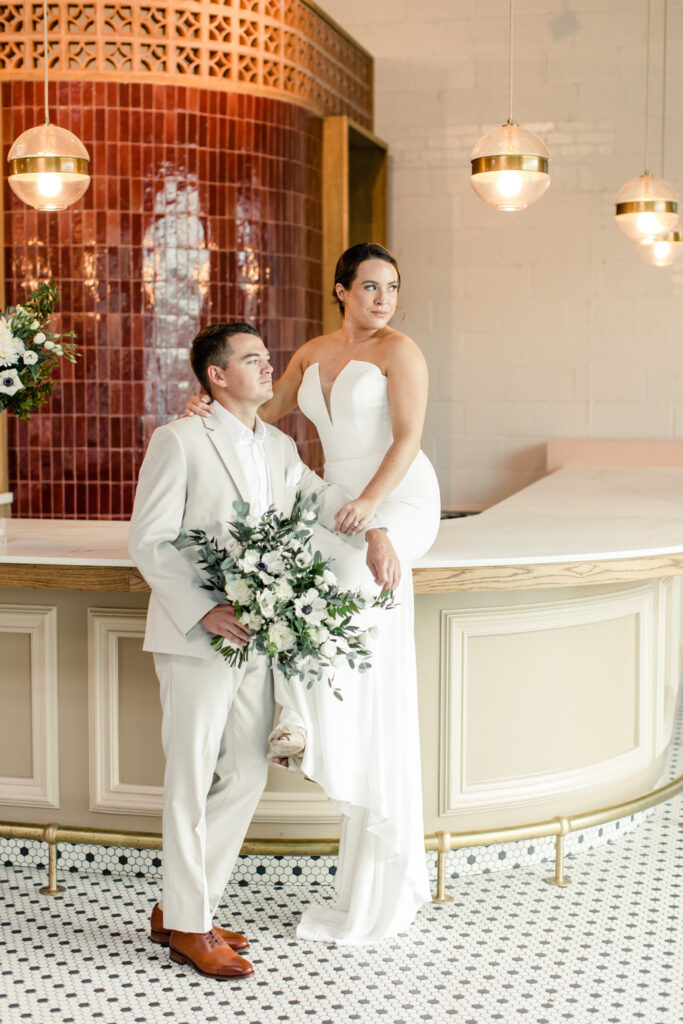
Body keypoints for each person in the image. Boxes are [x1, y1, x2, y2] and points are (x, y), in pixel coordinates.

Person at [183, 243, 441, 945]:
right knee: (288, 577)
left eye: (391, 286)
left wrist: (373, 509)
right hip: (334, 501)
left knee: (346, 581)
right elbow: (262, 406)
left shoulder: (401, 351)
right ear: (340, 290)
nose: (382, 298)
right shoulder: (313, 351)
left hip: (396, 493)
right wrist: (207, 399)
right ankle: (297, 721)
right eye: (368, 286)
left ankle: (308, 726)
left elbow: (410, 438)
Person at [129, 321, 399, 980]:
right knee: (190, 779)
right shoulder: (180, 440)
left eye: (265, 356)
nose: (265, 365)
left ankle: (183, 906)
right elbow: (150, 541)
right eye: (251, 359)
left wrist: (376, 528)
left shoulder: (277, 445)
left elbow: (322, 500)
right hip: (198, 636)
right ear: (216, 376)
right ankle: (190, 926)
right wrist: (203, 610)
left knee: (246, 772)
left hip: (258, 637)